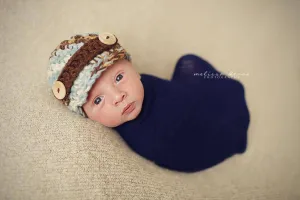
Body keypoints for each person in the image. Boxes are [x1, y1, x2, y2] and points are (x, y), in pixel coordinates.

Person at [47, 32, 250, 172]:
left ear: (131, 65)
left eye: (119, 78)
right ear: (85, 114)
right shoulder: (146, 134)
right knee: (190, 65)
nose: (118, 97)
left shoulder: (138, 92)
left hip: (199, 111)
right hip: (205, 137)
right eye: (98, 100)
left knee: (188, 64)